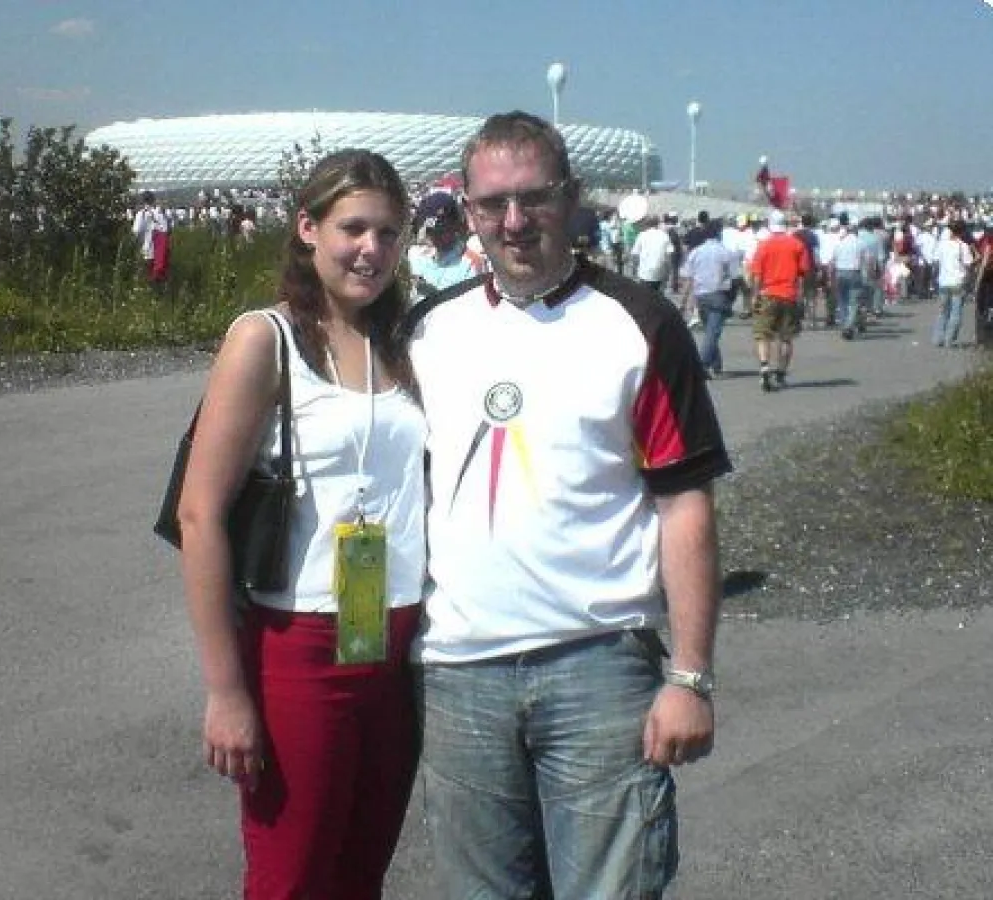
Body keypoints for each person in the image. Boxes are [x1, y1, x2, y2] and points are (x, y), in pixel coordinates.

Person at [407, 110, 730, 899]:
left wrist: (689, 678)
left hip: (598, 668)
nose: (513, 223)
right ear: (468, 209)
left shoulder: (638, 324)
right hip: (458, 672)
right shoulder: (426, 333)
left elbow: (684, 504)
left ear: (571, 198)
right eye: (492, 205)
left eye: (534, 199)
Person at [176, 149, 427, 899]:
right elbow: (199, 513)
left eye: (389, 232)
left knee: (361, 868)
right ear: (307, 229)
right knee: (293, 876)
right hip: (303, 645)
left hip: (399, 640)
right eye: (353, 227)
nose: (371, 249)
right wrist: (226, 691)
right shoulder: (266, 339)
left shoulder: (404, 344)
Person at [747, 209, 811, 391]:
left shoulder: (763, 245)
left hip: (768, 293)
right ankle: (781, 372)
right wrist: (802, 296)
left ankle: (765, 366)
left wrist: (755, 295)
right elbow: (803, 274)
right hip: (789, 295)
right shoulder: (797, 245)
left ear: (770, 225)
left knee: (763, 334)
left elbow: (757, 275)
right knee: (786, 338)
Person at [681, 217, 735, 378]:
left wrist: (685, 302)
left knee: (711, 331)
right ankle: (703, 364)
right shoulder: (725, 252)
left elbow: (688, 278)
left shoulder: (696, 252)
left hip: (701, 295)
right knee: (713, 332)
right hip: (719, 294)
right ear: (719, 234)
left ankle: (716, 364)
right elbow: (734, 276)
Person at [407, 191, 484, 301]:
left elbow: (471, 308)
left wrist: (433, 295)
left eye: (441, 230)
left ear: (455, 224)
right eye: (430, 231)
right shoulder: (416, 256)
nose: (435, 236)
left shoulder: (471, 264)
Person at [931, 218, 974, 348]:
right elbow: (968, 263)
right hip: (957, 282)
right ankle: (949, 339)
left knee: (943, 311)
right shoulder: (963, 246)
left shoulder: (942, 244)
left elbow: (936, 260)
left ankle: (938, 338)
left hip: (943, 281)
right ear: (962, 232)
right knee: (955, 313)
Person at [132, 191, 171, 285]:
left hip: (145, 249)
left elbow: (136, 231)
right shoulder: (159, 214)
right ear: (153, 200)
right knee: (157, 276)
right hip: (158, 252)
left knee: (143, 276)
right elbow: (166, 231)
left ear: (142, 201)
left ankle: (145, 292)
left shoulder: (141, 214)